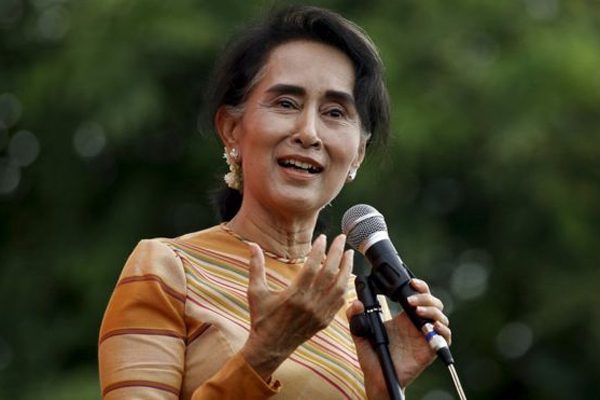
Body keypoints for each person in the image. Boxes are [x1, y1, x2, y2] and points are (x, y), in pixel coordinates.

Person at [98, 5, 451, 399]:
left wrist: (384, 390)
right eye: (286, 103)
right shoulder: (168, 270)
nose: (308, 133)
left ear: (357, 154)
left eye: (335, 112)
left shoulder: (360, 306)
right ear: (232, 128)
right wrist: (265, 351)